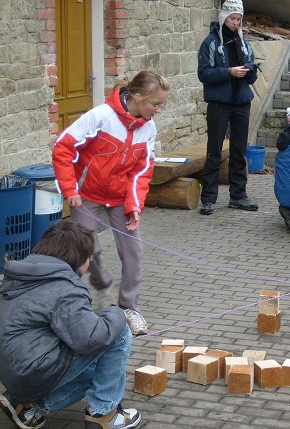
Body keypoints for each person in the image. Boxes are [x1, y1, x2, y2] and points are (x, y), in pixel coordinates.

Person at [53, 70, 170, 336]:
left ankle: (129, 307)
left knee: (133, 252)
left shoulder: (148, 127)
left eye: (162, 104)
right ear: (137, 97)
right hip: (87, 194)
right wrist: (70, 188)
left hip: (120, 198)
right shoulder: (101, 117)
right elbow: (62, 147)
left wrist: (135, 204)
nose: (159, 110)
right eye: (156, 104)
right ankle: (99, 283)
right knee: (86, 249)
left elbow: (142, 171)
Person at [0, 220, 140, 429]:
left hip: (12, 372)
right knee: (118, 333)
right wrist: (116, 314)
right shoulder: (64, 287)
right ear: (78, 257)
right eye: (89, 257)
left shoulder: (25, 273)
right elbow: (91, 339)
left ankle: (28, 406)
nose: (89, 262)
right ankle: (103, 414)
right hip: (32, 370)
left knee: (103, 372)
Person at [197, 0, 260, 215]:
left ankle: (238, 195)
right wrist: (229, 72)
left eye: (238, 19)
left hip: (242, 102)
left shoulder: (244, 44)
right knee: (214, 150)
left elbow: (252, 77)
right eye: (232, 18)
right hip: (219, 103)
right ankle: (208, 199)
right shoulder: (211, 43)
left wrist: (250, 72)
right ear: (224, 17)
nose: (235, 23)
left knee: (239, 149)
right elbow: (203, 74)